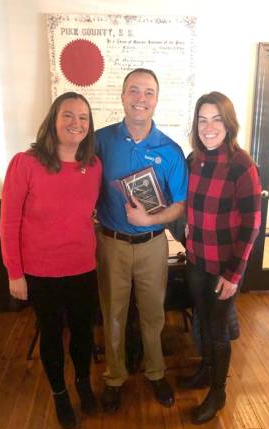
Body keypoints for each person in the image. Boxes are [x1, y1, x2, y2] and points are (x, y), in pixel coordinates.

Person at [0, 92, 102, 429]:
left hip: (83, 267)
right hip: (41, 271)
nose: (76, 123)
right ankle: (60, 393)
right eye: (68, 115)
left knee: (84, 334)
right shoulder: (25, 163)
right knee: (52, 335)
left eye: (83, 117)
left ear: (90, 126)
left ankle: (83, 383)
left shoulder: (94, 166)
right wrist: (15, 272)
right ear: (53, 120)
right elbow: (9, 221)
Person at [95, 68, 188, 411]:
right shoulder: (100, 141)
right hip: (110, 244)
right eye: (134, 90)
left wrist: (151, 218)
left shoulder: (171, 150)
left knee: (152, 314)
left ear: (156, 101)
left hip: (152, 245)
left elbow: (179, 205)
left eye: (148, 92)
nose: (141, 98)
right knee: (113, 314)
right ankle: (115, 377)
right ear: (122, 96)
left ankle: (155, 372)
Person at [181, 91, 261, 424]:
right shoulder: (193, 159)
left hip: (224, 268)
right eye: (202, 119)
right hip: (197, 260)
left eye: (216, 119)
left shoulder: (241, 164)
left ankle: (218, 392)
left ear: (228, 124)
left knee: (217, 330)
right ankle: (205, 369)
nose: (209, 127)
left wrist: (234, 274)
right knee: (201, 317)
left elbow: (251, 223)